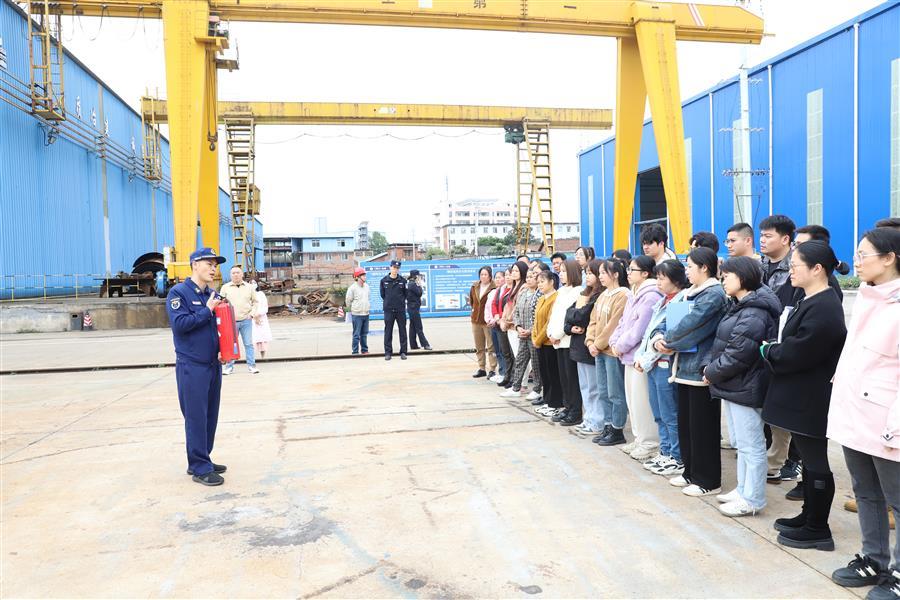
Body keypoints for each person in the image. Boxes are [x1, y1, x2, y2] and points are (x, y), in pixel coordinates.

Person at [761, 241, 847, 551]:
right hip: (801, 394)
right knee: (810, 462)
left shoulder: (825, 307)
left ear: (817, 269)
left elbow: (799, 352)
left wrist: (769, 351)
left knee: (816, 461)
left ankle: (818, 528)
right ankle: (808, 514)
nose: (791, 271)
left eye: (795, 266)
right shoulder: (810, 299)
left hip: (811, 397)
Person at [828, 228, 900, 597]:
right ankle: (874, 558)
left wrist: (895, 425)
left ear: (889, 258)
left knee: (897, 500)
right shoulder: (867, 297)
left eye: (864, 254)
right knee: (866, 492)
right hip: (855, 414)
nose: (856, 261)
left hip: (887, 421)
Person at [703, 257, 781, 517]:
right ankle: (743, 489)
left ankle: (753, 499)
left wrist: (711, 372)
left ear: (743, 277)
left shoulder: (754, 312)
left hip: (747, 383)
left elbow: (739, 354)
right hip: (736, 384)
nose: (723, 280)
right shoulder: (741, 305)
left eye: (727, 276)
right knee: (743, 444)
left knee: (752, 444)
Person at [650, 247, 727, 497]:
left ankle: (708, 480)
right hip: (683, 367)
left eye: (690, 266)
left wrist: (667, 341)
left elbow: (691, 326)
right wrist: (658, 337)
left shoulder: (713, 294)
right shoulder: (689, 293)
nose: (687, 271)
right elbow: (667, 321)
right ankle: (690, 472)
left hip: (700, 370)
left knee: (703, 427)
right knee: (687, 425)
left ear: (704, 267)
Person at [166, 247, 228, 486]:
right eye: (209, 264)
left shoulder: (211, 294)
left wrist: (224, 349)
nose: (213, 269)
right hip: (192, 365)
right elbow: (180, 325)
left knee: (210, 415)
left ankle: (203, 458)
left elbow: (218, 326)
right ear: (195, 265)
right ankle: (200, 468)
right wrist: (207, 310)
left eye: (215, 265)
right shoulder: (178, 293)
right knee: (195, 417)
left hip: (213, 363)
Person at [758, 214, 803, 486]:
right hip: (763, 345)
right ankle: (773, 460)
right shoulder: (759, 266)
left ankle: (793, 460)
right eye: (761, 235)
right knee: (768, 409)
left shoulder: (796, 270)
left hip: (784, 347)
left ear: (786, 239)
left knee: (788, 410)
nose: (762, 240)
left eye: (768, 236)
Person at [636, 260, 689, 477]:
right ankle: (665, 451)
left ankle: (676, 456)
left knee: (669, 413)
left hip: (666, 364)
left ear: (675, 280)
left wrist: (645, 359)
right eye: (657, 277)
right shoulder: (662, 301)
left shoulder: (681, 302)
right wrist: (643, 358)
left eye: (661, 278)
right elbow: (651, 334)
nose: (658, 282)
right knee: (658, 412)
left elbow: (669, 341)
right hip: (653, 363)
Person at [611, 255, 664, 461]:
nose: (628, 273)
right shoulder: (634, 293)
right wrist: (615, 342)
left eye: (632, 270)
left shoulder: (650, 295)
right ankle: (639, 438)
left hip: (638, 357)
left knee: (642, 403)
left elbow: (638, 330)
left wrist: (620, 345)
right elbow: (623, 323)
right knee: (632, 401)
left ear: (645, 273)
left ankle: (649, 442)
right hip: (627, 355)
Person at [587, 257, 631, 446]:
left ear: (616, 275)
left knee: (615, 392)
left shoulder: (623, 295)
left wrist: (597, 344)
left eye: (604, 273)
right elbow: (593, 321)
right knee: (603, 391)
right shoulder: (603, 295)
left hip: (611, 351)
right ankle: (607, 425)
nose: (600, 276)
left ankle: (617, 428)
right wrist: (590, 341)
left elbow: (613, 325)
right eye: (600, 273)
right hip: (599, 350)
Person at [567, 260, 603, 436]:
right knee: (585, 387)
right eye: (586, 273)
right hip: (578, 347)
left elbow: (581, 316)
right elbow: (569, 314)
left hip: (590, 346)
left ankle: (597, 421)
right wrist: (572, 320)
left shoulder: (599, 296)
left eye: (591, 273)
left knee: (594, 388)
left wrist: (574, 315)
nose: (587, 276)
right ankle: (588, 418)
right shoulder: (584, 294)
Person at [546, 259, 584, 425]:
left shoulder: (578, 292)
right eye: (560, 271)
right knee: (564, 378)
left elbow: (568, 318)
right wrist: (550, 333)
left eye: (564, 271)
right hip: (557, 341)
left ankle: (575, 411)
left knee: (571, 379)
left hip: (568, 340)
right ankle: (567, 407)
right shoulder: (561, 291)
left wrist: (557, 334)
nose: (560, 274)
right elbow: (554, 315)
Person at [504, 263, 539, 398]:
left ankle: (537, 389)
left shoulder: (539, 295)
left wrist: (530, 330)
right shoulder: (523, 293)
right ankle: (516, 388)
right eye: (528, 277)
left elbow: (538, 317)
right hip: (522, 333)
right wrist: (518, 327)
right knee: (520, 360)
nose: (529, 279)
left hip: (533, 334)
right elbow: (517, 311)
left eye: (532, 277)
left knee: (535, 363)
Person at [532, 270, 562, 416]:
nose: (539, 284)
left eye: (542, 281)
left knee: (553, 374)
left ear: (552, 282)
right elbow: (536, 321)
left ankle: (555, 403)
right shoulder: (541, 299)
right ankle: (547, 401)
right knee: (544, 374)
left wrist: (538, 339)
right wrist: (534, 337)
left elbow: (549, 323)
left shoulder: (556, 298)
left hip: (549, 343)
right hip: (540, 343)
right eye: (538, 282)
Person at [219, 265, 260, 375]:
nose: (236, 275)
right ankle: (229, 367)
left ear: (242, 274)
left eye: (238, 272)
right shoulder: (225, 288)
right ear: (230, 275)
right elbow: (220, 303)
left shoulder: (249, 287)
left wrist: (252, 314)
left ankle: (252, 366)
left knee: (248, 344)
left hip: (246, 320)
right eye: (233, 273)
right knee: (231, 344)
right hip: (230, 322)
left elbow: (256, 302)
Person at [500, 261, 529, 389]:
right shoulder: (513, 287)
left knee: (521, 357)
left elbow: (517, 308)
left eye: (516, 271)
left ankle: (523, 384)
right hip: (510, 327)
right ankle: (520, 383)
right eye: (513, 271)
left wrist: (507, 321)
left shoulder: (524, 287)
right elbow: (507, 306)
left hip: (517, 326)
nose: (513, 273)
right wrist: (503, 320)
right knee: (517, 356)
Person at [469, 266, 497, 378]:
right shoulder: (475, 286)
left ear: (490, 276)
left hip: (488, 322)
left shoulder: (494, 287)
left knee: (491, 346)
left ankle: (493, 369)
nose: (483, 276)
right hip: (476, 320)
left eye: (486, 274)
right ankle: (481, 368)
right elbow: (472, 301)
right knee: (479, 346)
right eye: (481, 274)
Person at [485, 270, 513, 383]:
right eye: (496, 277)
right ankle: (502, 372)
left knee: (506, 351)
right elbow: (493, 305)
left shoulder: (512, 290)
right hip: (495, 323)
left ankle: (507, 374)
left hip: (504, 323)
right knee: (498, 350)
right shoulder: (497, 291)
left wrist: (500, 318)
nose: (498, 279)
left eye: (500, 277)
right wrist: (493, 318)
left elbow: (507, 307)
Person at [380, 260, 408, 361]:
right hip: (388, 310)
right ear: (390, 267)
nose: (395, 270)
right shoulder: (384, 281)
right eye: (394, 267)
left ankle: (403, 352)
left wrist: (399, 302)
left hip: (400, 310)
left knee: (402, 331)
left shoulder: (403, 281)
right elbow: (383, 295)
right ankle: (388, 352)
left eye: (397, 268)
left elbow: (405, 294)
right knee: (388, 331)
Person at [345, 267, 370, 355]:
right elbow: (348, 301)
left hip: (366, 313)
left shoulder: (367, 287)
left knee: (364, 333)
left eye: (365, 275)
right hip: (357, 314)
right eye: (363, 275)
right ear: (358, 277)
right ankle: (355, 351)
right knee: (356, 334)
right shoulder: (352, 288)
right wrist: (351, 310)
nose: (365, 277)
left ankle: (364, 350)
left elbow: (368, 298)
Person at [406, 269, 432, 351]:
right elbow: (419, 293)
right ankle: (425, 345)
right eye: (418, 276)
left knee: (413, 327)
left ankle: (413, 345)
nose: (419, 277)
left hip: (412, 308)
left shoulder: (410, 284)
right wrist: (420, 285)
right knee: (419, 327)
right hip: (413, 308)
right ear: (415, 276)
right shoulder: (413, 284)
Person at [251, 283, 272, 358]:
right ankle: (252, 356)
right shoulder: (247, 295)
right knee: (253, 338)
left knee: (262, 337)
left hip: (261, 318)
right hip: (252, 317)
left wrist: (258, 314)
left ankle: (263, 355)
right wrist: (253, 315)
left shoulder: (261, 294)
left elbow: (265, 307)